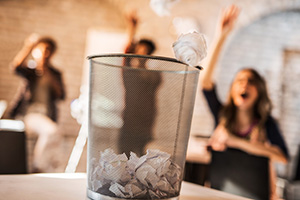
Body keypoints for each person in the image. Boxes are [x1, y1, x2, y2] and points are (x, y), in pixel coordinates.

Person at [201, 5, 289, 199]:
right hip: (219, 192)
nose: (245, 84)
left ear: (259, 92)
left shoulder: (266, 122)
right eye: (240, 80)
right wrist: (221, 36)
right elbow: (206, 82)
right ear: (232, 90)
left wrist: (235, 141)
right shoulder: (222, 114)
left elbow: (282, 156)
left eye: (251, 81)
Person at [9, 34, 66, 172]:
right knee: (52, 131)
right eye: (42, 50)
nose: (45, 53)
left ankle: (43, 167)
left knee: (53, 135)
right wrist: (28, 46)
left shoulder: (55, 73)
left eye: (48, 51)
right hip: (28, 115)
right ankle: (38, 167)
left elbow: (61, 95)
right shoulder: (31, 71)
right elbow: (15, 67)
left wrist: (47, 71)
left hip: (46, 117)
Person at [118, 11, 161, 156]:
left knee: (141, 155)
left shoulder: (154, 76)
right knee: (123, 155)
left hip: (146, 121)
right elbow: (126, 52)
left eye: (145, 51)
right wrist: (132, 28)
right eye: (139, 50)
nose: (142, 54)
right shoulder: (129, 72)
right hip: (129, 119)